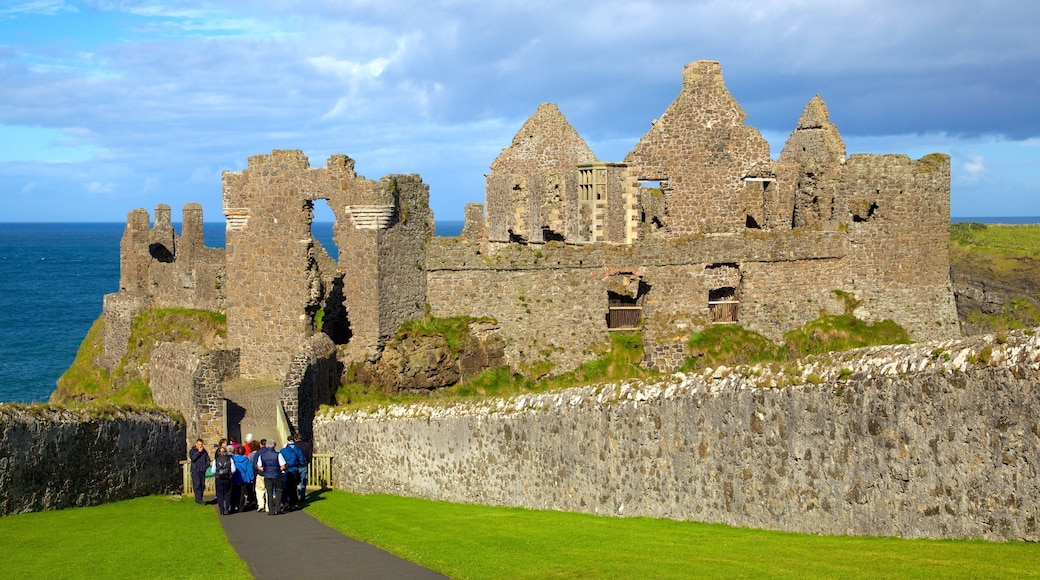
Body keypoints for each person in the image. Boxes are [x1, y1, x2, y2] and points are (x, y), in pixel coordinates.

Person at [257, 439, 285, 516]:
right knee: (278, 490)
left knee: (269, 492)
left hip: (267, 475)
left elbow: (259, 466)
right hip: (276, 475)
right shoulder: (278, 454)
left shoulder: (262, 455)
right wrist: (277, 469)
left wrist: (265, 470)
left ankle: (271, 510)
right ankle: (277, 509)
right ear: (274, 445)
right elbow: (283, 466)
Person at [280, 436, 306, 511]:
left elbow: (280, 460)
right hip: (294, 469)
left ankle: (285, 503)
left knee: (285, 487)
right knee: (293, 487)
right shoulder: (298, 450)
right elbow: (302, 461)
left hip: (286, 470)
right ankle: (294, 503)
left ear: (287, 441)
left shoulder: (283, 451)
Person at [212, 446, 236, 515]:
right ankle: (227, 509)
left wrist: (218, 473)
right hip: (228, 478)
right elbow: (234, 469)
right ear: (226, 452)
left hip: (219, 478)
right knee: (228, 494)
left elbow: (213, 470)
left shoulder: (216, 460)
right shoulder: (230, 459)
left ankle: (221, 510)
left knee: (220, 494)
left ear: (219, 452)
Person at [231, 445, 255, 512]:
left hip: (235, 477)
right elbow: (249, 469)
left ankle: (235, 505)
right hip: (243, 478)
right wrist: (252, 477)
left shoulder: (233, 459)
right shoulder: (246, 459)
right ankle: (241, 507)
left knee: (235, 492)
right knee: (242, 493)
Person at [188, 439, 210, 504]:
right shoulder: (192, 451)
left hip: (202, 470)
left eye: (201, 444)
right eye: (199, 444)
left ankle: (200, 497)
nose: (200, 446)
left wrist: (206, 466)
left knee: (202, 485)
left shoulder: (204, 451)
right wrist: (199, 452)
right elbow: (193, 458)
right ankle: (199, 499)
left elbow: (207, 459)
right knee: (197, 485)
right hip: (195, 470)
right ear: (196, 444)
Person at [294, 432, 313, 504]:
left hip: (296, 465)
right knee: (303, 481)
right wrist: (308, 461)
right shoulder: (307, 445)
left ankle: (295, 496)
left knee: (295, 482)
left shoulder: (294, 446)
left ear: (295, 439)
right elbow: (309, 455)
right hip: (304, 465)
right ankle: (302, 496)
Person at [249, 439, 267, 512]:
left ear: (260, 444)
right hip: (269, 473)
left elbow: (254, 465)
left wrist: (255, 474)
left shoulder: (258, 453)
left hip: (260, 473)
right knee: (268, 490)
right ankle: (268, 506)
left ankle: (261, 504)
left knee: (259, 489)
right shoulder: (272, 452)